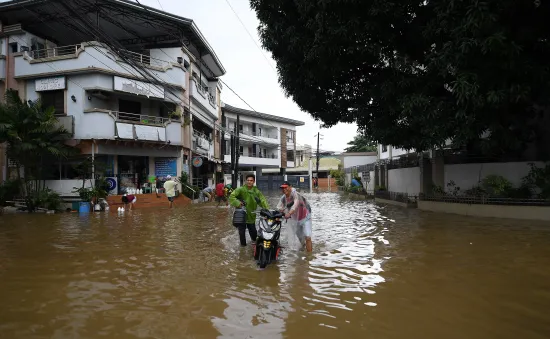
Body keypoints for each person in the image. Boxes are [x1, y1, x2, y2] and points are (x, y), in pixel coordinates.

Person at [229, 174, 270, 247]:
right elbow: (231, 196)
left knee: (253, 233)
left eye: (251, 180)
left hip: (251, 216)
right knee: (242, 234)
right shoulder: (240, 189)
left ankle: (254, 247)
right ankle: (243, 249)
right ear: (245, 181)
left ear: (253, 181)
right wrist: (238, 203)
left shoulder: (256, 191)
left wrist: (267, 211)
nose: (249, 182)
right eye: (248, 180)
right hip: (241, 216)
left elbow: (262, 201)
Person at [277, 181, 313, 252]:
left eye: (286, 187)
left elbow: (295, 205)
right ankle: (304, 251)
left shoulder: (296, 195)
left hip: (305, 217)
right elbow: (279, 207)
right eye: (282, 188)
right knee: (301, 240)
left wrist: (289, 213)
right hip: (296, 220)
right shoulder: (283, 198)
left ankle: (309, 257)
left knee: (307, 237)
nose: (284, 189)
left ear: (290, 187)